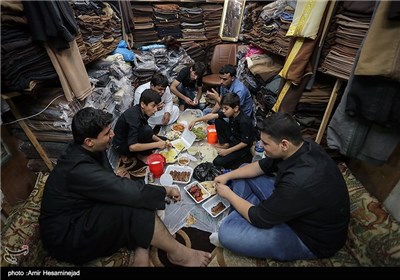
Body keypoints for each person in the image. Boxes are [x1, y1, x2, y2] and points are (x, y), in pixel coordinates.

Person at [39, 107, 211, 266]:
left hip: (87, 210)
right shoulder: (77, 168)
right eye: (107, 133)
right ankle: (177, 253)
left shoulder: (90, 149)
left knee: (135, 192)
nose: (113, 134)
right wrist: (164, 190)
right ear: (89, 141)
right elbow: (127, 193)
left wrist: (118, 182)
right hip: (68, 236)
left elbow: (111, 184)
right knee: (135, 199)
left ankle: (141, 248)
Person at [213, 112, 350, 260]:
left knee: (226, 233)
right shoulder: (304, 146)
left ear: (284, 144)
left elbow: (259, 218)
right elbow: (260, 165)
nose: (260, 146)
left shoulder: (298, 182)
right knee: (244, 169)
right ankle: (251, 210)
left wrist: (228, 194)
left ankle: (245, 214)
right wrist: (227, 175)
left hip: (308, 238)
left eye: (265, 144)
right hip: (296, 205)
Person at [188, 93, 254, 169]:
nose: (223, 111)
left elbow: (244, 143)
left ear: (236, 108)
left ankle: (234, 154)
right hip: (233, 137)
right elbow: (212, 115)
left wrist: (227, 151)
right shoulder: (231, 113)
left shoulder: (244, 121)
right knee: (218, 120)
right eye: (222, 108)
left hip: (241, 146)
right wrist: (196, 120)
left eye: (226, 108)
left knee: (217, 162)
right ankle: (225, 144)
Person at [113, 89, 169, 163]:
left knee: (164, 140)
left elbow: (148, 133)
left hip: (132, 136)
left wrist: (161, 141)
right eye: (153, 106)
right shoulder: (133, 117)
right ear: (143, 104)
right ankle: (139, 155)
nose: (155, 110)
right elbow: (132, 147)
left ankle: (141, 152)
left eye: (156, 106)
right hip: (123, 145)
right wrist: (157, 144)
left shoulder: (142, 111)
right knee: (148, 130)